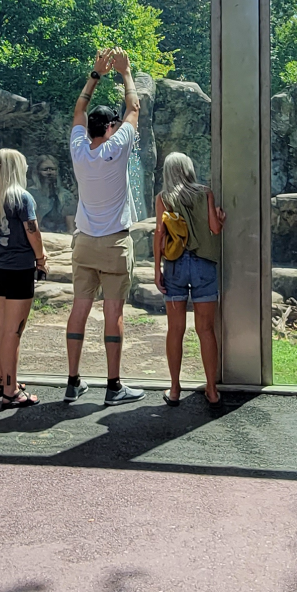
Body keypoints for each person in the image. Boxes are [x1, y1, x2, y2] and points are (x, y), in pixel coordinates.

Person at [62, 48, 146, 406]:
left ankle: (72, 381)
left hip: (84, 243)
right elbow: (134, 109)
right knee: (114, 312)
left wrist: (95, 74)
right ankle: (113, 386)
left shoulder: (79, 151)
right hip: (114, 244)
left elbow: (78, 111)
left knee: (79, 308)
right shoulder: (118, 148)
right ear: (110, 128)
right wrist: (125, 72)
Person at [153, 152, 225, 405]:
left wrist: (157, 269)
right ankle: (212, 390)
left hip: (176, 265)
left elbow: (160, 234)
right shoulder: (205, 193)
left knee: (175, 329)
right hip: (204, 264)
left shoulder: (164, 198)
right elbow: (215, 229)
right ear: (189, 169)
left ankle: (174, 389)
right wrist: (220, 219)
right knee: (205, 329)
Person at [0, 148, 45, 408]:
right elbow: (33, 232)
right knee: (14, 332)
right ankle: (11, 390)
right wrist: (41, 259)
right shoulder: (22, 197)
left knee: (0, 327)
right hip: (20, 270)